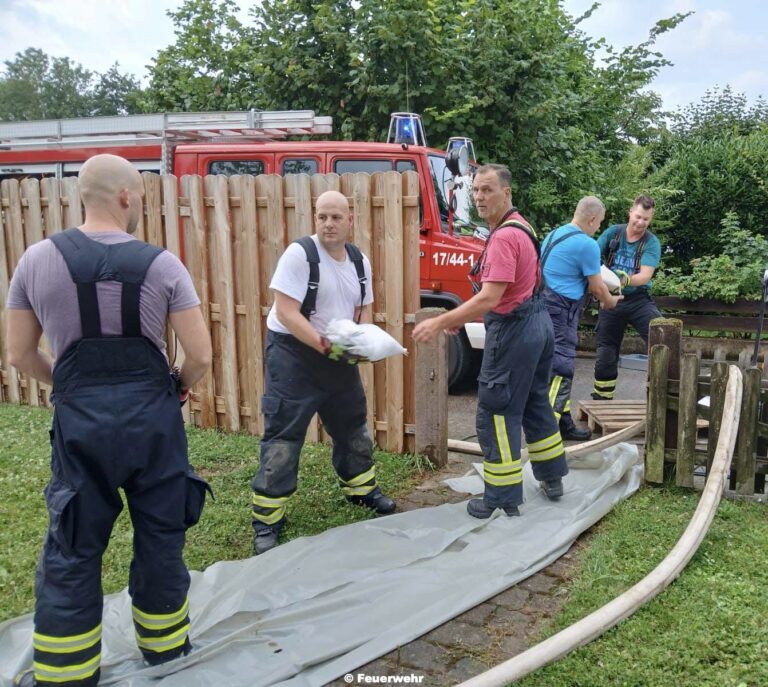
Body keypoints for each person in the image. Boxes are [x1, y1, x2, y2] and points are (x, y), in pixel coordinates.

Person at [6, 154, 212, 687]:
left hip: (81, 427)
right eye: (140, 194)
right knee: (161, 536)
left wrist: (71, 387)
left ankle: (66, 673)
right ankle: (167, 653)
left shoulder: (34, 260)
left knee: (73, 546)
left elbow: (20, 356)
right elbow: (202, 355)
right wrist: (179, 387)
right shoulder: (164, 264)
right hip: (154, 426)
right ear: (125, 197)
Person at [413, 164, 568, 518]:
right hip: (538, 323)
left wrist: (441, 321)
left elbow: (490, 298)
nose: (481, 197)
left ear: (506, 193)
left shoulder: (502, 238)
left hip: (515, 331)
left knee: (496, 412)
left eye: (488, 190)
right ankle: (553, 478)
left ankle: (501, 497)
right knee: (534, 403)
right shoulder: (522, 226)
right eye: (477, 191)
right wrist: (460, 318)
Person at [250, 190, 396, 556]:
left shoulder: (359, 261)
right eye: (322, 216)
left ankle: (362, 491)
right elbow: (285, 311)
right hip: (295, 356)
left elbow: (363, 309)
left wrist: (360, 340)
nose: (328, 224)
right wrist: (324, 345)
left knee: (353, 426)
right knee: (284, 435)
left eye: (335, 217)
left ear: (351, 220)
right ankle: (267, 518)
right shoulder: (299, 255)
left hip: (336, 353)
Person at [541, 196, 622, 441]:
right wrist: (611, 301)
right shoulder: (587, 244)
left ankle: (564, 423)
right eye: (599, 224)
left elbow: (565, 273)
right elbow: (598, 288)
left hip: (543, 306)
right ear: (592, 219)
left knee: (552, 366)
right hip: (561, 311)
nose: (598, 228)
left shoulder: (554, 235)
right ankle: (547, 432)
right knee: (561, 369)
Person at [592, 195, 662, 401]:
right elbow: (591, 257)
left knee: (662, 336)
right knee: (606, 350)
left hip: (638, 300)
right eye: (638, 217)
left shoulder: (651, 242)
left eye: (646, 220)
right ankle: (602, 397)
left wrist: (625, 279)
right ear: (630, 212)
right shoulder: (613, 233)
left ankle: (664, 395)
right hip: (611, 297)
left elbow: (645, 276)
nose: (640, 223)